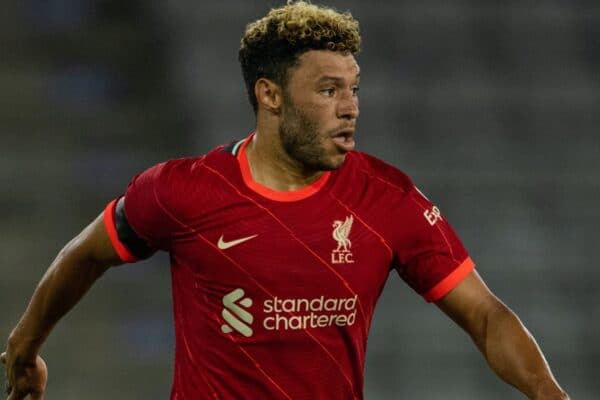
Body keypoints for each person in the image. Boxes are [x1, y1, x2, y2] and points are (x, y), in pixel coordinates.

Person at [2, 1, 569, 399]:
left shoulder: (386, 198)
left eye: (354, 89)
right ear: (269, 95)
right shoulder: (184, 191)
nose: (350, 108)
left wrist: (548, 394)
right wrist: (25, 348)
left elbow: (486, 316)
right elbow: (87, 253)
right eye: (328, 91)